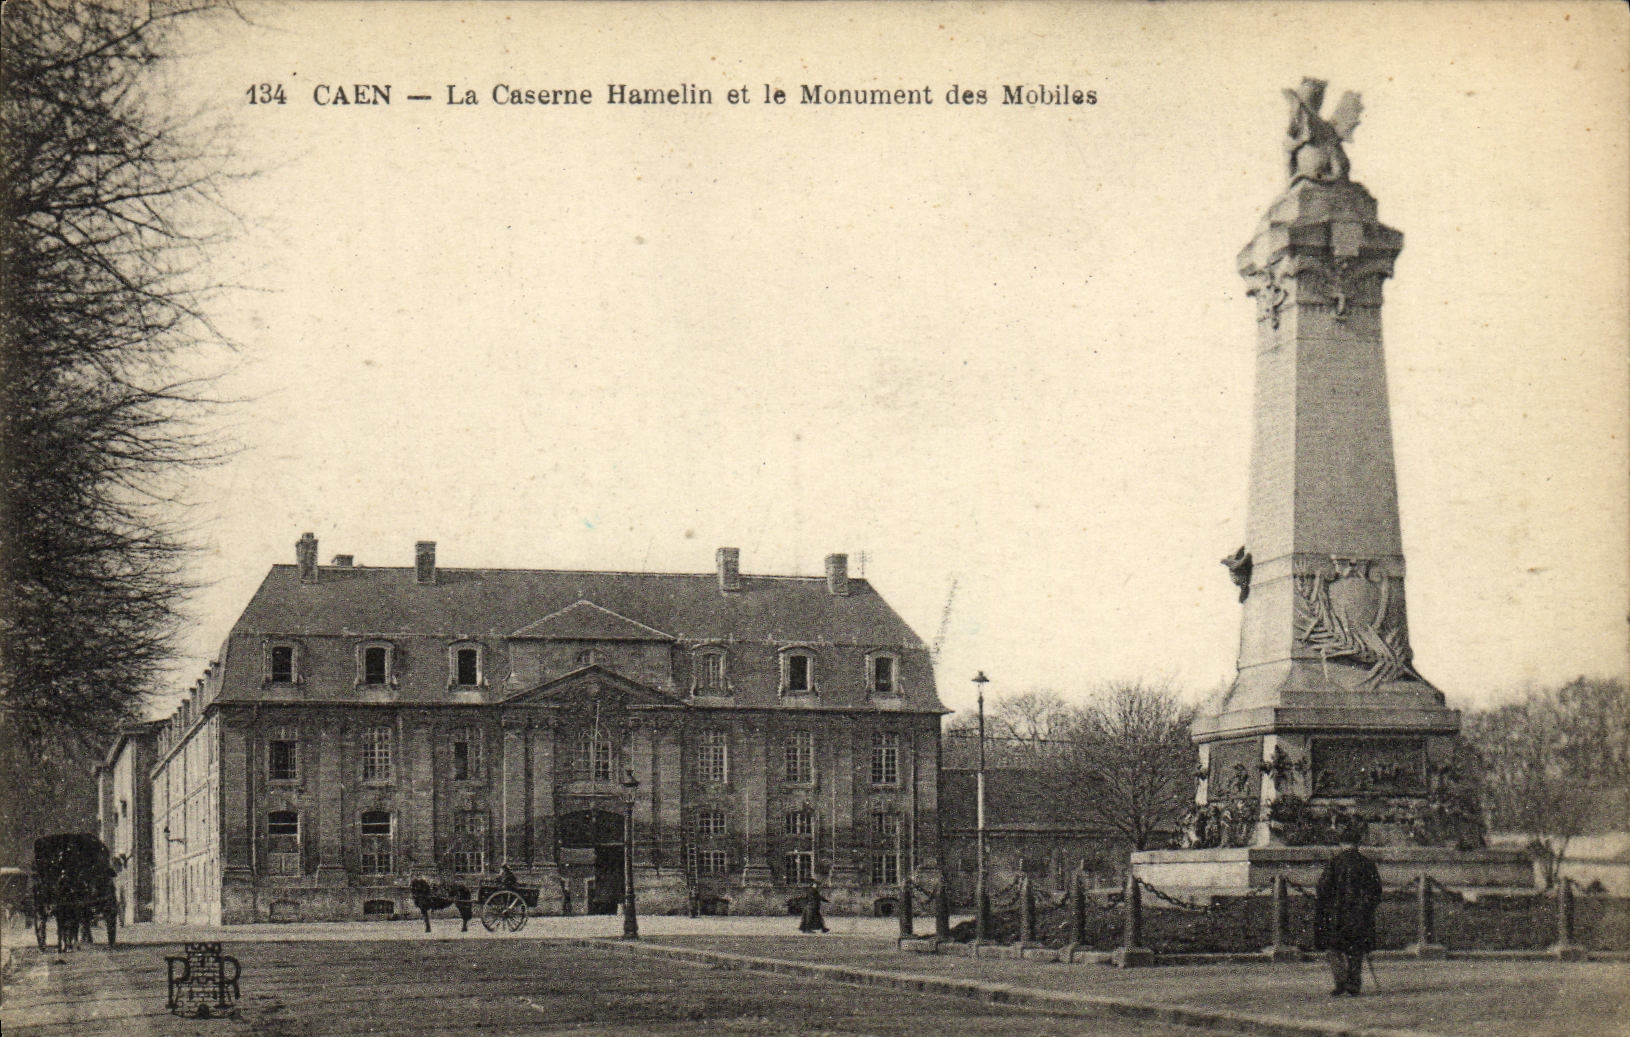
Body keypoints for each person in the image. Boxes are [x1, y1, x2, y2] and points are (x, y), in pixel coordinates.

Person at [1314, 830, 1383, 996]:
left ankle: (1340, 981)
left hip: (1337, 915)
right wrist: (1367, 907)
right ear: (1357, 844)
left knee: (1334, 949)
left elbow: (1322, 888)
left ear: (1341, 844)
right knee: (1356, 949)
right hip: (1360, 914)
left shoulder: (1335, 863)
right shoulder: (1367, 863)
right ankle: (1353, 982)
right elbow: (1376, 890)